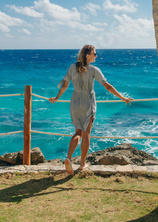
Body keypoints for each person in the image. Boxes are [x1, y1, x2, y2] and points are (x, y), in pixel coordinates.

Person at [49, 45, 132, 174]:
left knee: (77, 132)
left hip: (75, 102)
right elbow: (107, 86)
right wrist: (122, 98)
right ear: (87, 55)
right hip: (88, 102)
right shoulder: (94, 70)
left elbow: (65, 85)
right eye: (94, 53)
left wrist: (57, 97)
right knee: (86, 134)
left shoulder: (72, 67)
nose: (96, 56)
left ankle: (68, 158)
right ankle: (82, 164)